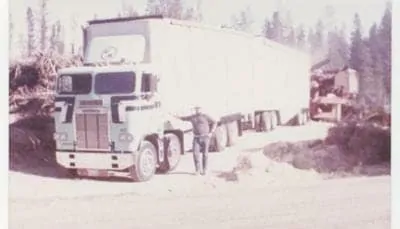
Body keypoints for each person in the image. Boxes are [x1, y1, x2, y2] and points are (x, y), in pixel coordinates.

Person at [177, 106, 217, 176]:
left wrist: (211, 132)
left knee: (205, 154)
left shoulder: (205, 116)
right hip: (196, 138)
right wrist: (175, 116)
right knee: (195, 154)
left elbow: (214, 122)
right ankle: (197, 170)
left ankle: (205, 170)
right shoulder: (192, 117)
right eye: (196, 109)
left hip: (205, 137)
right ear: (195, 110)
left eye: (199, 109)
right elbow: (183, 118)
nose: (197, 110)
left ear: (201, 109)